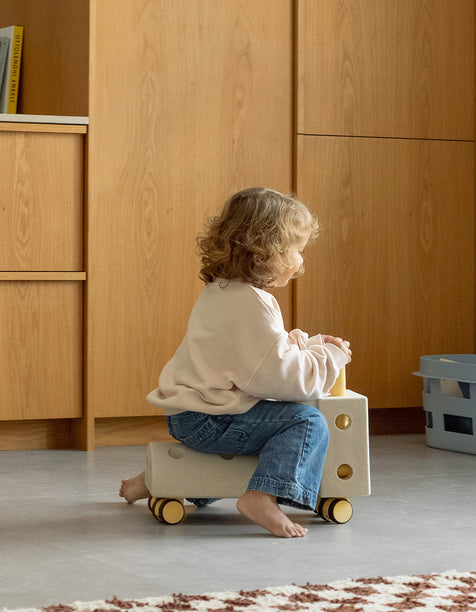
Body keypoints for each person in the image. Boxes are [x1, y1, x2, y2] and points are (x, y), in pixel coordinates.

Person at [119, 187, 351, 538]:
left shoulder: (223, 290)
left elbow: (252, 356)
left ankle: (157, 480)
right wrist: (330, 357)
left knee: (251, 441)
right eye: (298, 251)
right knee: (305, 423)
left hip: (190, 414)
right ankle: (262, 496)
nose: (301, 261)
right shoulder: (253, 304)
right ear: (268, 252)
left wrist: (307, 344)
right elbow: (284, 381)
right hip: (212, 418)